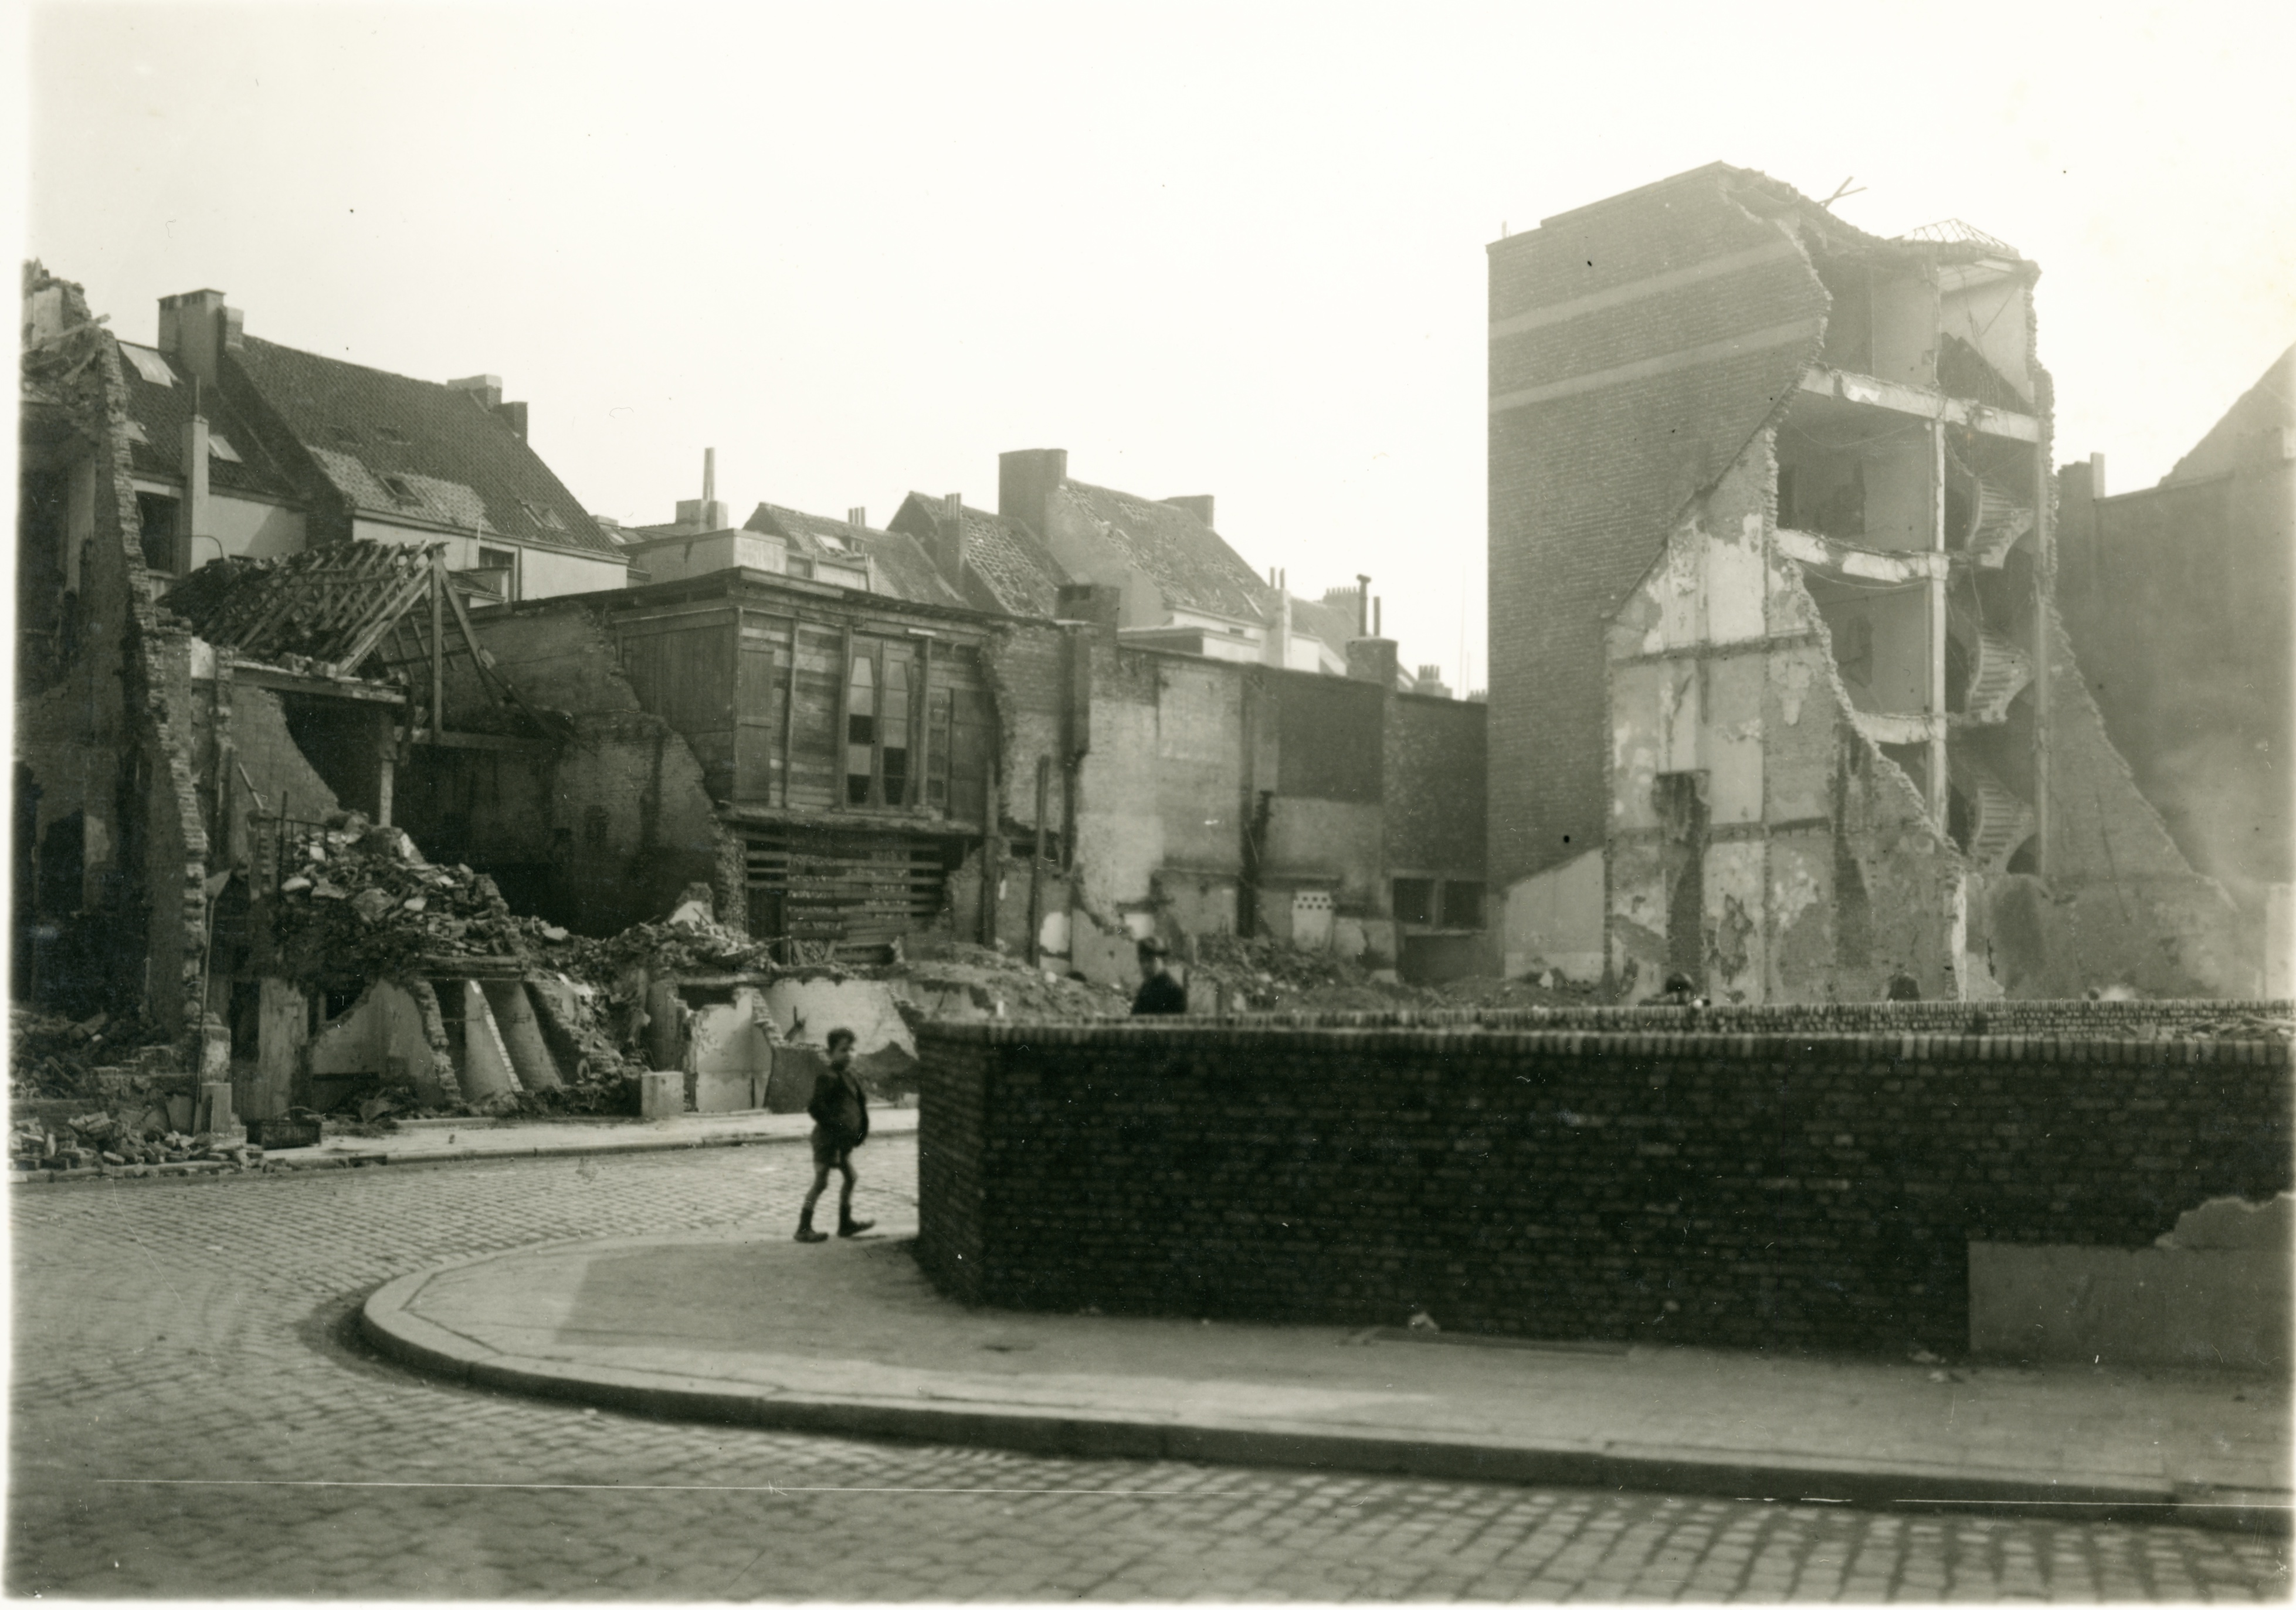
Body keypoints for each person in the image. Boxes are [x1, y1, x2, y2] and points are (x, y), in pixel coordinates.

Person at [795, 1028, 873, 1243]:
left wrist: (861, 1131)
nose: (849, 1054)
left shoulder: (850, 1077)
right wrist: (837, 1128)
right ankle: (803, 1228)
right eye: (843, 1050)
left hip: (842, 1141)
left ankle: (845, 1223)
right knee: (821, 1182)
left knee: (851, 1178)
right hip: (828, 1141)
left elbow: (860, 1107)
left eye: (852, 1049)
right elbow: (816, 1108)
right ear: (830, 1053)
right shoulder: (828, 1077)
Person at [1131, 937, 1188, 1016]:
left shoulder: (1173, 991)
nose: (1145, 966)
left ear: (1163, 961)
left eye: (1150, 960)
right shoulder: (1145, 988)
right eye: (1142, 960)